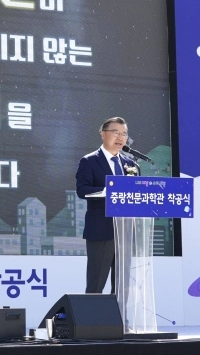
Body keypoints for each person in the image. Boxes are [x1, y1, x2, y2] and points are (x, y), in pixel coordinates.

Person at [76, 117, 134, 294]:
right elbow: (82, 190)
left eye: (124, 134)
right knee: (96, 285)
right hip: (101, 231)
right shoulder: (89, 161)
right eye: (116, 132)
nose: (120, 137)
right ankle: (92, 314)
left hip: (125, 231)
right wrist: (108, 191)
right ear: (103, 134)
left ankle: (119, 313)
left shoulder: (130, 164)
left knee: (122, 287)